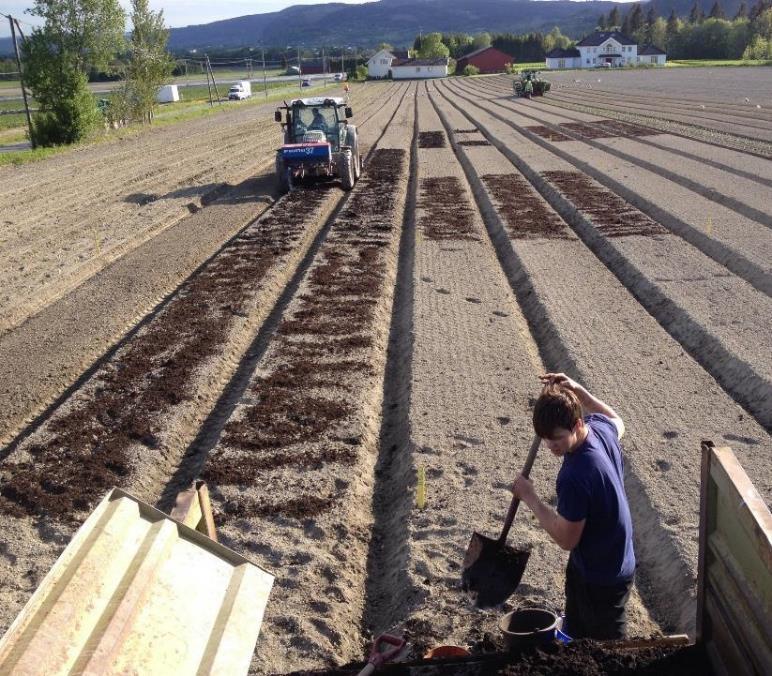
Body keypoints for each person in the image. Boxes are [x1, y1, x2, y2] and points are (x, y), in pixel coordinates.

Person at [511, 373, 635, 640]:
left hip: (602, 576)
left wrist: (530, 496)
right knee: (576, 635)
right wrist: (581, 392)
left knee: (606, 650)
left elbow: (566, 539)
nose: (550, 446)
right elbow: (618, 420)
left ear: (577, 424)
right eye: (544, 438)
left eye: (556, 438)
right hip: (608, 558)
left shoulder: (575, 475)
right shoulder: (599, 429)